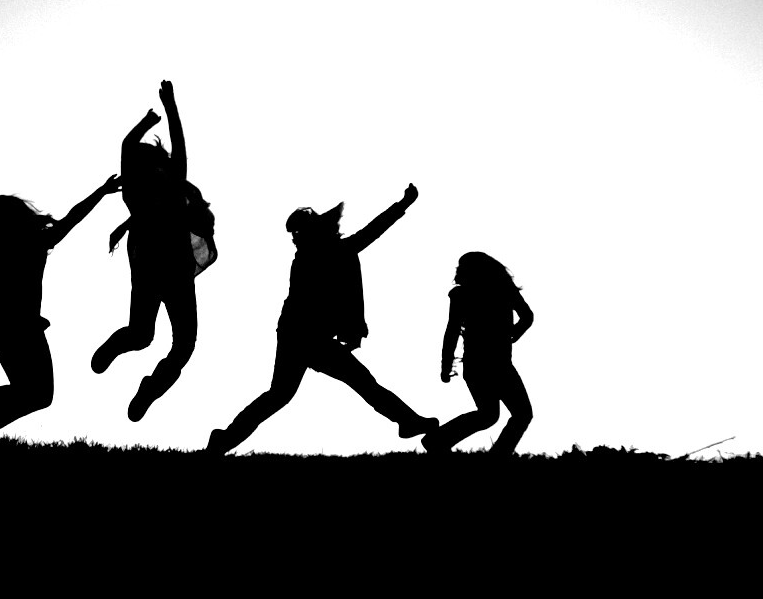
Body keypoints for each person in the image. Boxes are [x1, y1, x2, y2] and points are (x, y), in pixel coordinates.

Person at [206, 184, 438, 455]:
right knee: (357, 382)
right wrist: (403, 205)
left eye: (298, 232)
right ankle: (407, 421)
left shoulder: (322, 253)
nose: (295, 238)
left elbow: (372, 232)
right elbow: (371, 233)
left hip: (299, 334)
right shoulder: (323, 254)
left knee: (281, 395)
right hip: (307, 337)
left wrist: (402, 205)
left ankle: (223, 440)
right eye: (294, 234)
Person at [0, 164, 122, 443]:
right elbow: (72, 218)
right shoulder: (34, 242)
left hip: (3, 330)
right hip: (23, 329)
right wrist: (101, 192)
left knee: (29, 393)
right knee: (37, 394)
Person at [91, 80, 210, 421]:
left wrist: (149, 121)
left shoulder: (139, 194)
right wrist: (168, 108)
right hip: (170, 270)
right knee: (179, 344)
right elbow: (172, 149)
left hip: (155, 268)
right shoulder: (165, 189)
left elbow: (130, 146)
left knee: (145, 336)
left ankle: (135, 368)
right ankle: (148, 384)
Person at [423, 253, 535, 455]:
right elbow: (527, 316)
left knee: (489, 415)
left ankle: (437, 440)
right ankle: (497, 456)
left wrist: (446, 365)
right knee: (519, 414)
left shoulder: (464, 294)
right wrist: (515, 333)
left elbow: (452, 332)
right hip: (497, 364)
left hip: (477, 364)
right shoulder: (503, 291)